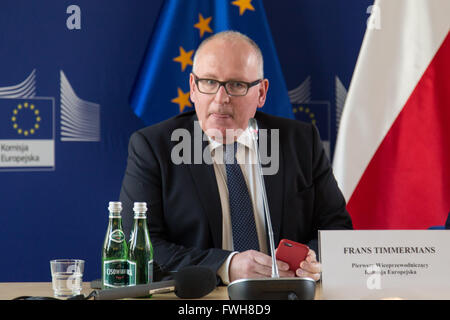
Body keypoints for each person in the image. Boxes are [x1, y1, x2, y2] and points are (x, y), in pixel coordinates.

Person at [119, 31, 352, 284]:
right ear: (192, 88)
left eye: (237, 85)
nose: (221, 99)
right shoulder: (154, 147)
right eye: (208, 82)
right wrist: (225, 266)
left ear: (261, 92)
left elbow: (336, 230)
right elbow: (139, 248)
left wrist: (314, 259)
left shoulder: (301, 141)